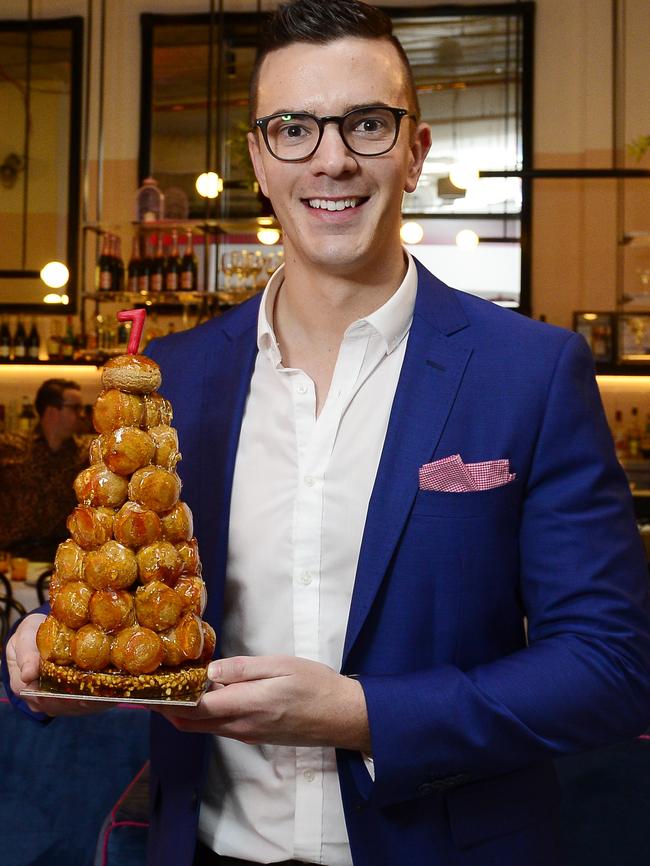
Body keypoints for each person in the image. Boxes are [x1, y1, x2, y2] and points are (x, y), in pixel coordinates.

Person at [4, 2, 650, 865]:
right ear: (260, 161)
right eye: (294, 129)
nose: (332, 158)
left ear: (415, 152)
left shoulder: (528, 373)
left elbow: (610, 668)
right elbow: (133, 595)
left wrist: (364, 714)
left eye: (368, 125)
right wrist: (46, 656)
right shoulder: (177, 377)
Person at [0, 378, 89, 562]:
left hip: (65, 559)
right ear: (51, 411)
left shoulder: (86, 454)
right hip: (13, 557)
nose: (82, 415)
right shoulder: (11, 447)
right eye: (75, 408)